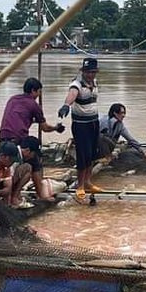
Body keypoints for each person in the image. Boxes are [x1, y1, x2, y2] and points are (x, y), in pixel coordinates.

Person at [58, 57, 100, 199]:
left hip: (94, 122)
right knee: (82, 155)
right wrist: (66, 105)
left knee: (92, 154)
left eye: (93, 72)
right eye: (88, 72)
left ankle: (88, 181)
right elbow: (72, 94)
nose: (90, 75)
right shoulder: (76, 84)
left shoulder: (94, 82)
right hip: (81, 125)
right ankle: (80, 186)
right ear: (83, 71)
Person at [0, 77, 65, 144]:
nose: (39, 95)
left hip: (3, 136)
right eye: (39, 92)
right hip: (18, 138)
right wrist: (56, 128)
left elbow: (20, 116)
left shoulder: (12, 99)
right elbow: (45, 128)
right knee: (35, 144)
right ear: (33, 90)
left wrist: (35, 120)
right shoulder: (34, 105)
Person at [10, 135, 51, 204]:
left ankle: (14, 196)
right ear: (28, 150)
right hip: (3, 181)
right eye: (33, 154)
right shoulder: (15, 155)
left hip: (6, 180)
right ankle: (13, 197)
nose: (33, 157)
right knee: (27, 168)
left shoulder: (19, 153)